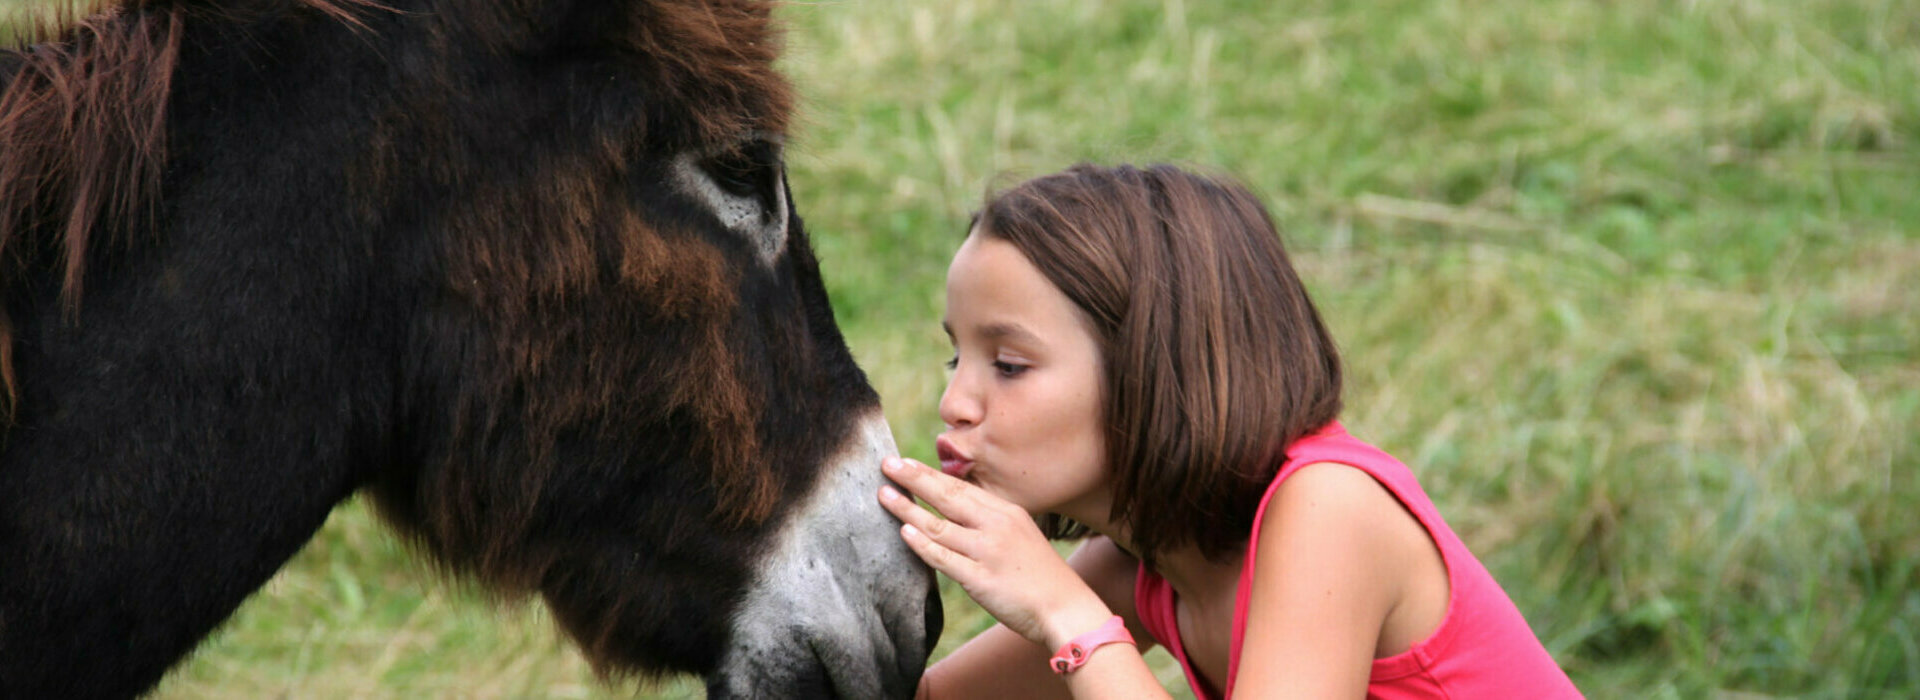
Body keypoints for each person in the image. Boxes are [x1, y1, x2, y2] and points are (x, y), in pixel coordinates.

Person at [877, 163, 1580, 698]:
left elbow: (1069, 622)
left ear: (1155, 369)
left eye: (1007, 364)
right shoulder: (1146, 561)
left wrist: (1065, 614)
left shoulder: (1327, 509)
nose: (955, 402)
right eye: (955, 355)